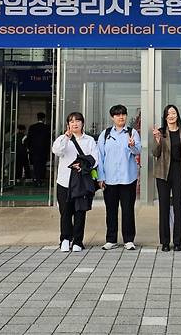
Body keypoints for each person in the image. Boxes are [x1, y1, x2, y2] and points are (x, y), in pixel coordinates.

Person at [52, 112, 98, 253]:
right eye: (71, 121)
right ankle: (65, 239)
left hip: (81, 183)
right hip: (64, 182)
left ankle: (78, 240)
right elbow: (57, 151)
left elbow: (95, 160)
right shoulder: (62, 139)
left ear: (83, 123)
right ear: (68, 124)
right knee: (65, 212)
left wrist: (82, 166)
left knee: (80, 212)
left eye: (78, 121)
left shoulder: (89, 140)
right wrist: (66, 138)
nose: (75, 123)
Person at [98, 104, 141, 251]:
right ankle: (111, 239)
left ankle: (129, 239)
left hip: (128, 178)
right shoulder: (105, 134)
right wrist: (100, 178)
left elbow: (138, 151)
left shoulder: (132, 132)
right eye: (117, 115)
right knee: (111, 210)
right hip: (109, 179)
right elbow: (100, 157)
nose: (120, 117)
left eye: (123, 114)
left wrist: (132, 145)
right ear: (112, 117)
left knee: (128, 210)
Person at [152, 105, 181, 252]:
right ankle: (165, 242)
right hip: (163, 173)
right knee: (164, 207)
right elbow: (155, 153)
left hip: (179, 172)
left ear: (177, 115)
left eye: (173, 113)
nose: (171, 116)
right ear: (165, 117)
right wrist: (158, 140)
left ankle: (178, 241)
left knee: (179, 206)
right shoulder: (161, 132)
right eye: (168, 113)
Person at [27, 112, 51, 187]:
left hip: (34, 150)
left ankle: (36, 179)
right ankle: (40, 180)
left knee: (35, 165)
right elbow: (48, 140)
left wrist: (29, 148)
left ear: (37, 118)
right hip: (43, 150)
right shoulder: (47, 127)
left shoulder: (32, 127)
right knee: (42, 165)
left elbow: (29, 139)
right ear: (44, 119)